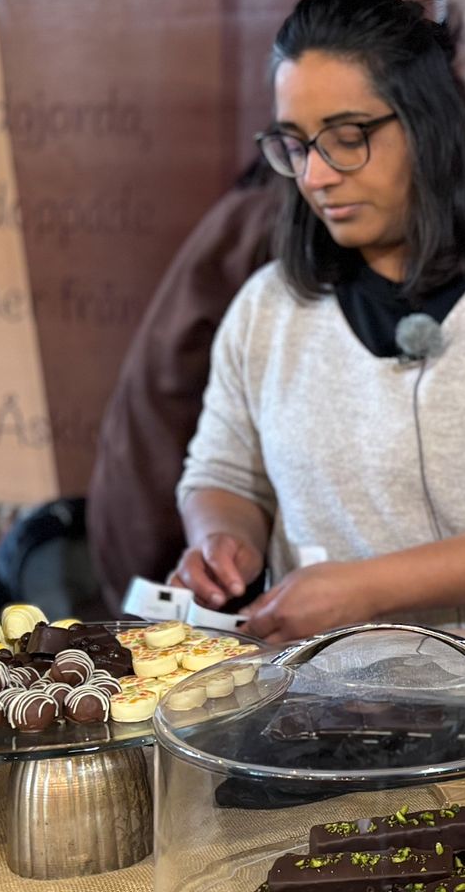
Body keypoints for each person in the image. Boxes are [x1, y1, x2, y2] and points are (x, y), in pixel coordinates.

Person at [173, 0, 465, 717]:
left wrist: (364, 591)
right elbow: (224, 473)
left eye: (347, 136)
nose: (316, 174)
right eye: (295, 144)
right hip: (322, 714)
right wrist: (221, 539)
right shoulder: (270, 306)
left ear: (426, 125)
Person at [87, 159, 278, 615]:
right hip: (169, 501)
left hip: (160, 490)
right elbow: (223, 465)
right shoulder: (270, 231)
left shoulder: (249, 214)